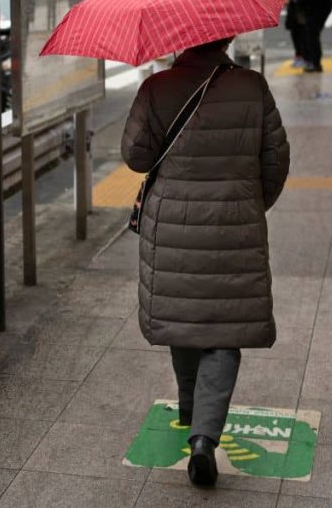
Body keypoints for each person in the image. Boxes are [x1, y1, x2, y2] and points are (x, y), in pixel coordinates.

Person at [121, 37, 289, 487]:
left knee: (186, 315)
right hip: (235, 224)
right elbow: (276, 163)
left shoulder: (157, 87)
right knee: (224, 331)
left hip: (172, 225)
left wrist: (149, 105)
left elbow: (135, 157)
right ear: (226, 36)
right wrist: (249, 206)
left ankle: (190, 408)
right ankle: (204, 439)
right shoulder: (253, 87)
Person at [298, 0, 332, 72]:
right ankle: (315, 62)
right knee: (314, 39)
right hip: (321, 15)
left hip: (312, 15)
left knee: (312, 40)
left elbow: (303, 1)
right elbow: (329, 2)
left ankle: (315, 63)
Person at [284, 0, 307, 68]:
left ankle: (303, 58)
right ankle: (298, 57)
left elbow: (300, 2)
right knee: (295, 39)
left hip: (301, 20)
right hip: (293, 19)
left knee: (302, 39)